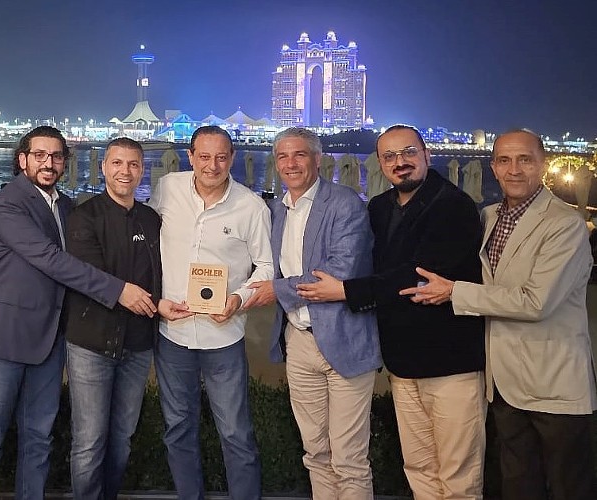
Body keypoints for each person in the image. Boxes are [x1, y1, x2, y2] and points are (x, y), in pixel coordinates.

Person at [0, 126, 156, 500]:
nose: (48, 163)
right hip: (4, 338)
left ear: (65, 163)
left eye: (56, 156)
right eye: (40, 155)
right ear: (22, 160)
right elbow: (52, 261)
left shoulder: (67, 207)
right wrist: (118, 290)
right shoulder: (9, 204)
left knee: (39, 437)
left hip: (50, 340)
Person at [402, 129, 597, 500]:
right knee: (517, 486)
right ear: (493, 168)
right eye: (504, 160)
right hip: (505, 384)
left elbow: (535, 302)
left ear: (543, 164)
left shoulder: (565, 224)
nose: (515, 169)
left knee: (570, 487)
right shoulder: (489, 216)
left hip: (554, 384)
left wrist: (454, 291)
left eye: (525, 159)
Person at [298, 125, 486, 499]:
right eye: (390, 157)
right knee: (418, 467)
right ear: (380, 164)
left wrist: (346, 290)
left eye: (409, 153)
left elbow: (416, 274)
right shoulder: (380, 208)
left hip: (451, 363)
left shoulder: (453, 206)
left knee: (458, 473)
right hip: (402, 363)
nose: (400, 163)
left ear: (427, 156)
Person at [243, 127, 381, 499]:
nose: (290, 163)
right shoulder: (275, 211)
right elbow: (262, 265)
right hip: (298, 342)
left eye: (300, 155)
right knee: (316, 452)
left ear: (318, 160)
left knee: (349, 458)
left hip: (345, 341)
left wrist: (278, 289)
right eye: (283, 156)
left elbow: (340, 272)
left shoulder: (345, 203)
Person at [148, 125, 272, 500]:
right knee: (178, 429)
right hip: (174, 335)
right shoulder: (168, 188)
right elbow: (147, 247)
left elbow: (265, 268)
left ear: (232, 158)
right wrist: (155, 301)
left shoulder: (251, 206)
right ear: (191, 156)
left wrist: (237, 298)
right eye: (204, 156)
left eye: (221, 157)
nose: (212, 165)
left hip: (224, 336)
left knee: (236, 432)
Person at [62, 137, 162, 499]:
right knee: (89, 440)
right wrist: (130, 294)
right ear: (104, 167)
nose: (126, 171)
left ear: (142, 170)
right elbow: (90, 277)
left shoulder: (151, 219)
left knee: (122, 436)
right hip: (91, 342)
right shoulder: (83, 217)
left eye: (134, 164)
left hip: (137, 344)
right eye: (117, 163)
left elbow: (159, 276)